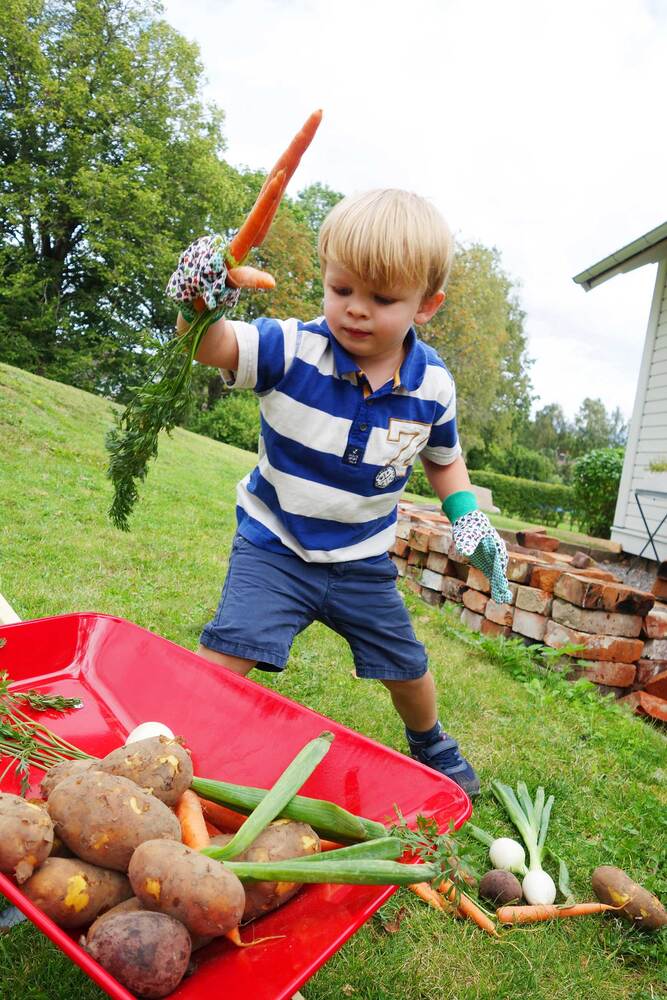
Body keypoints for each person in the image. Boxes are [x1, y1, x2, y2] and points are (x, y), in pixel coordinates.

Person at [167, 189, 512, 798]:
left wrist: (468, 519)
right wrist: (200, 301)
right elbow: (208, 345)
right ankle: (176, 743)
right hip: (274, 544)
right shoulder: (291, 348)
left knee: (408, 668)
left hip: (362, 561)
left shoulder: (433, 385)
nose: (355, 310)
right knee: (227, 650)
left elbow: (444, 460)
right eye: (342, 289)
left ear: (426, 306)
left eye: (382, 299)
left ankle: (432, 742)